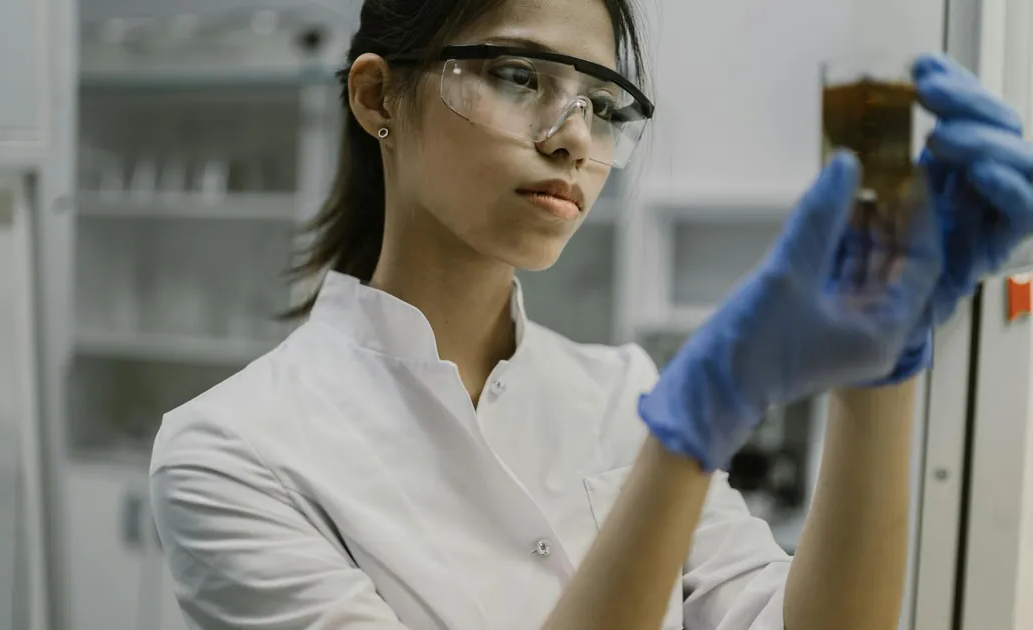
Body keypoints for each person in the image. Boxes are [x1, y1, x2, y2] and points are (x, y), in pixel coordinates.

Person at [147, 0, 1033, 628]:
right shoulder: (232, 451)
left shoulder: (621, 392)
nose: (573, 136)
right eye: (517, 75)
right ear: (379, 96)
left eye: (604, 106)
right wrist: (692, 431)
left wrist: (876, 368)